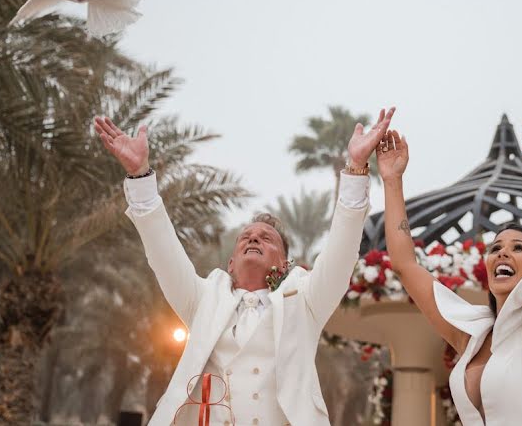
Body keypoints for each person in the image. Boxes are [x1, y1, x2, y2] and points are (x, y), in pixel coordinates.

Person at [94, 107, 394, 426]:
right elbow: (163, 252)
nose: (254, 239)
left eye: (267, 238)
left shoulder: (305, 301)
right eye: (246, 237)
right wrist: (140, 176)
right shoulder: (202, 298)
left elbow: (341, 252)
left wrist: (356, 169)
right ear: (231, 262)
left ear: (284, 262)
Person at [376, 105, 522, 426]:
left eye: (518, 248)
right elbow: (405, 265)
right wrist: (392, 182)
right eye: (496, 247)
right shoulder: (471, 336)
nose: (503, 253)